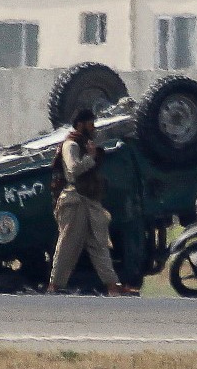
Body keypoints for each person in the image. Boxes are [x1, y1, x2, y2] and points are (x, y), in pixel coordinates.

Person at [47, 108, 137, 296]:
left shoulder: (85, 144)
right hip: (74, 201)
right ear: (80, 124)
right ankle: (55, 286)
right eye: (90, 123)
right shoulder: (71, 144)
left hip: (89, 201)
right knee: (68, 245)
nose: (93, 127)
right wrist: (90, 158)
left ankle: (113, 286)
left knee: (99, 245)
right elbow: (72, 171)